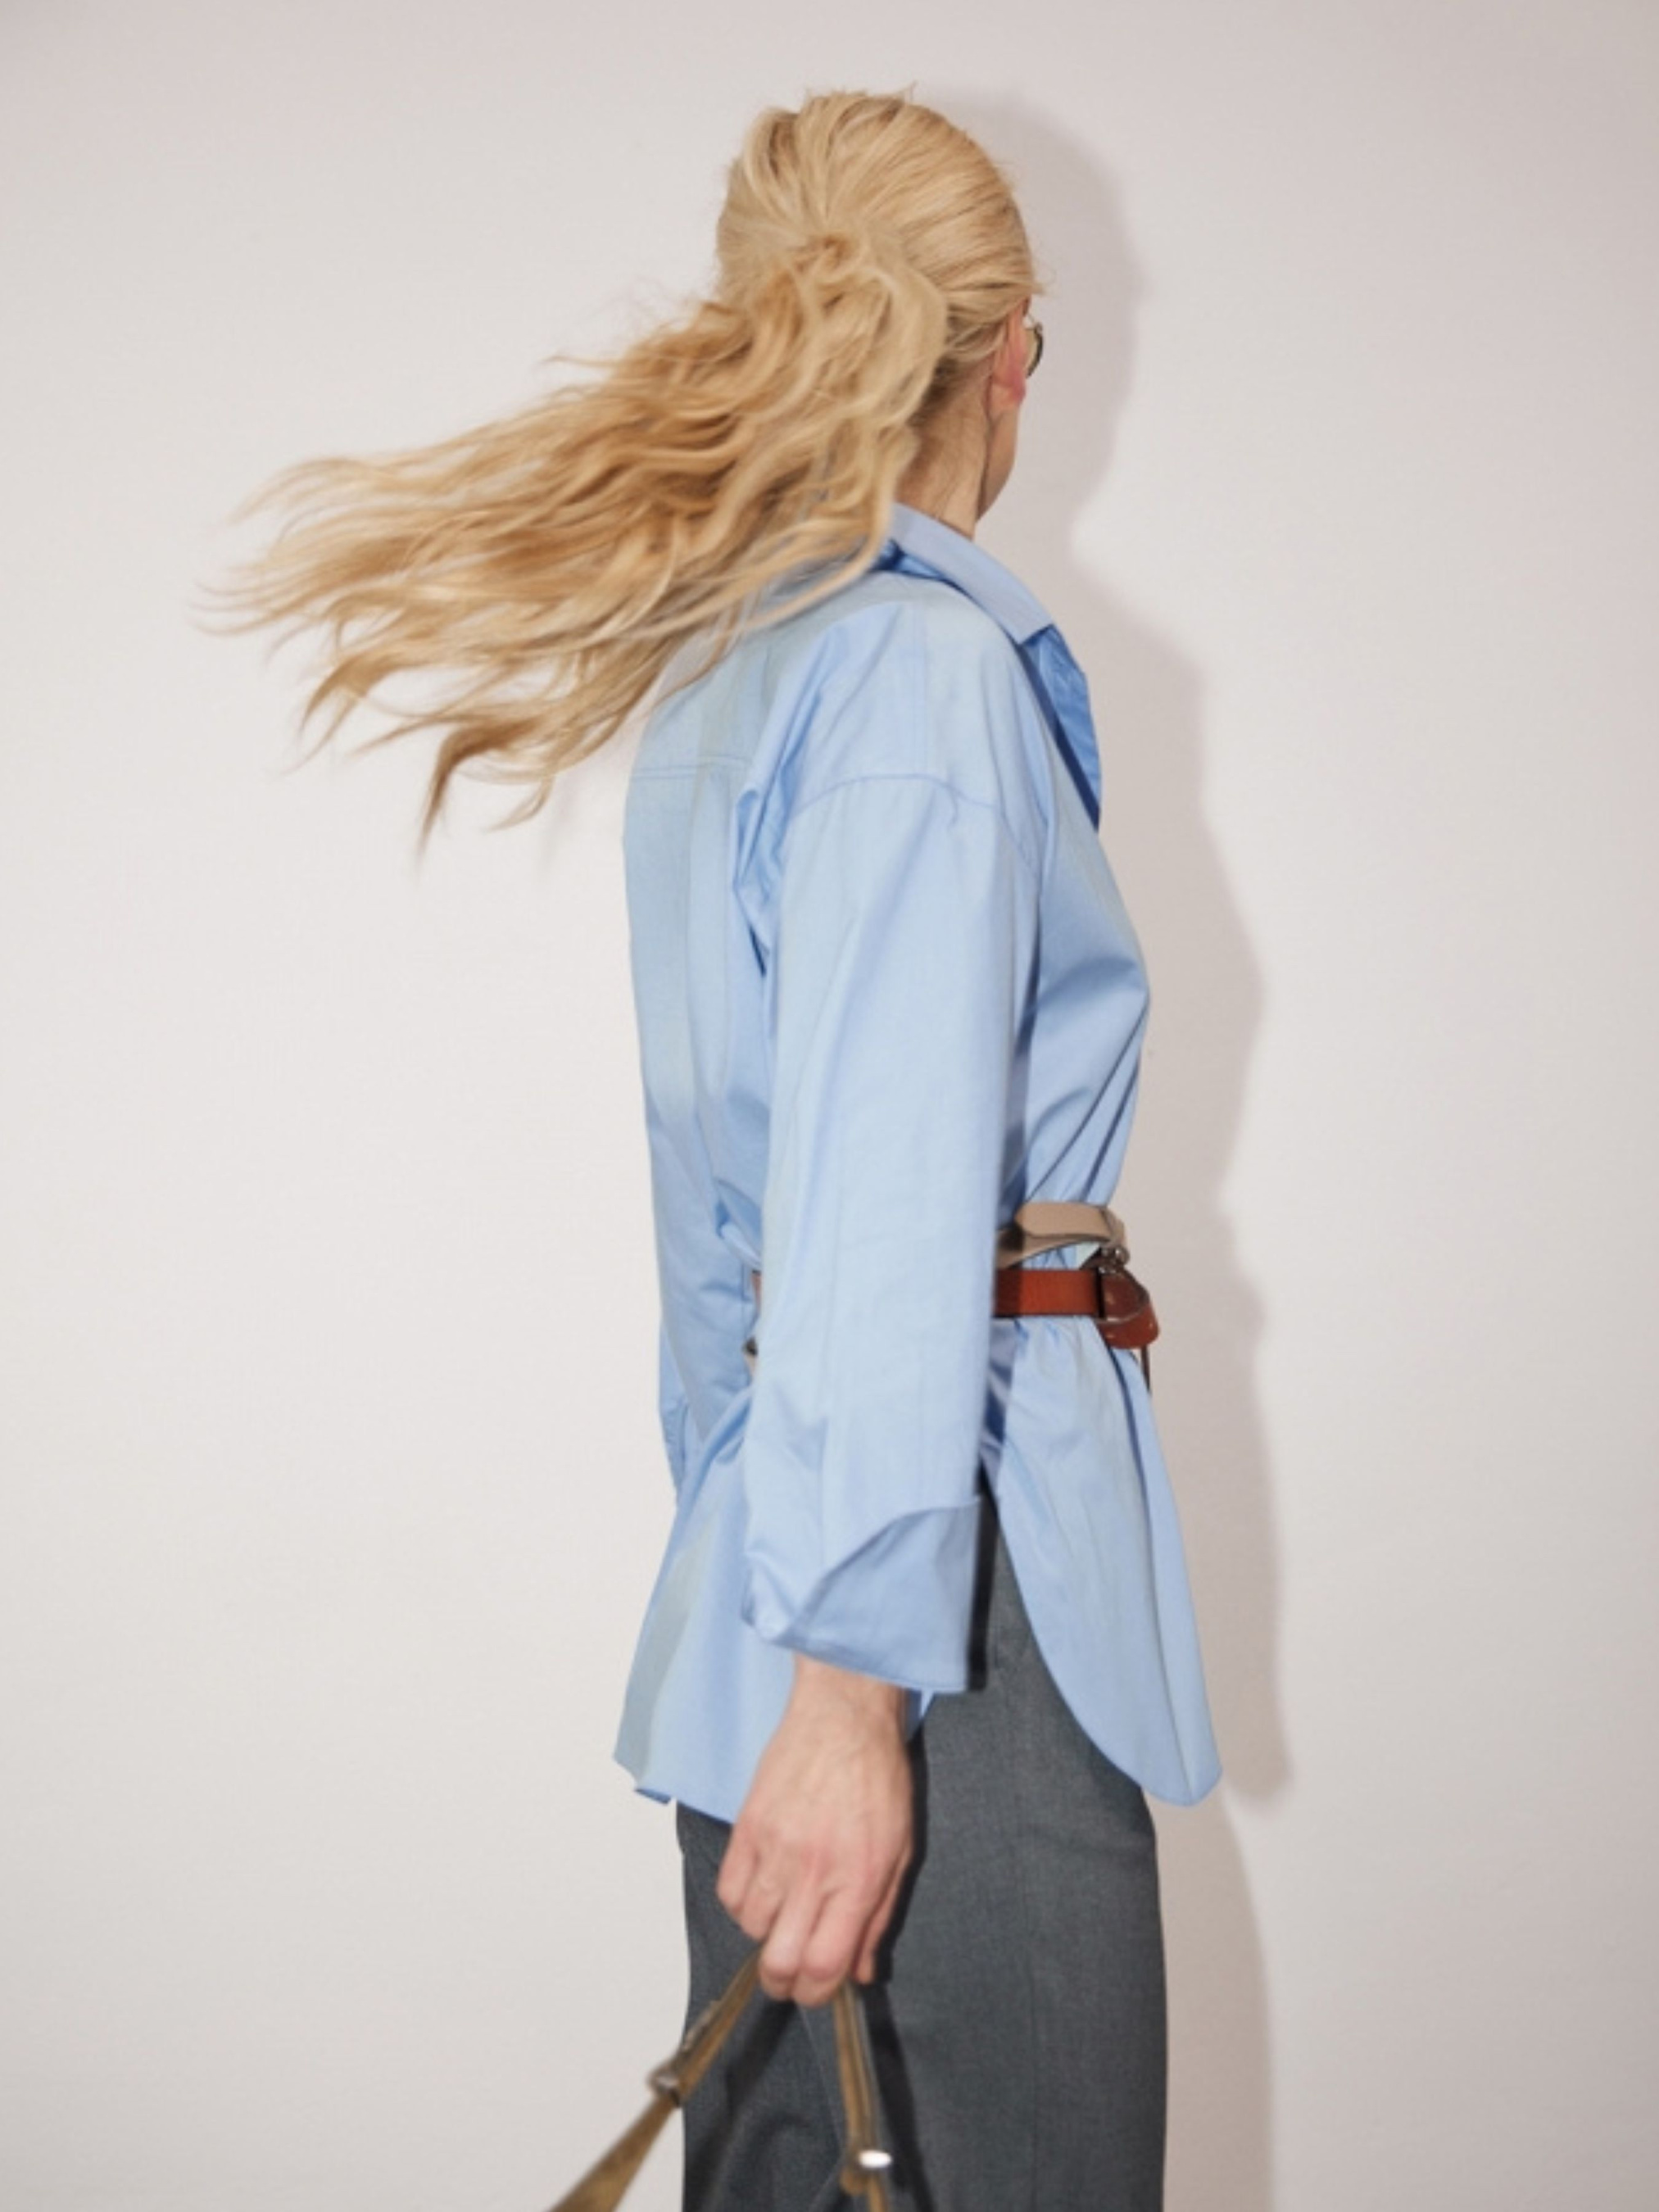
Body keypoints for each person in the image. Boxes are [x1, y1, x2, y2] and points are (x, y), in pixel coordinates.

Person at [207, 85, 1220, 2212]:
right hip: (942, 1628)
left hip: (802, 1597)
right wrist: (855, 1692)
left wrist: (791, 1634)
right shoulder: (920, 677)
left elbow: (729, 1266)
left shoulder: (736, 683)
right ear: (1008, 353)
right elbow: (882, 1205)